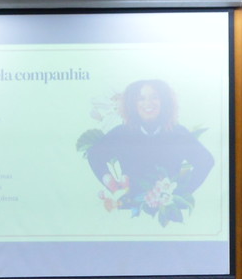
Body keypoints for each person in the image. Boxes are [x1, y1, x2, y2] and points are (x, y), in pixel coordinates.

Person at [84, 79, 217, 223]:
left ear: (164, 101)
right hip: (128, 212)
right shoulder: (121, 133)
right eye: (141, 99)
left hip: (168, 213)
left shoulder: (178, 133)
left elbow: (206, 161)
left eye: (154, 97)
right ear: (132, 104)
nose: (148, 103)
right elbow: (94, 155)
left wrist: (180, 193)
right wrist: (111, 182)